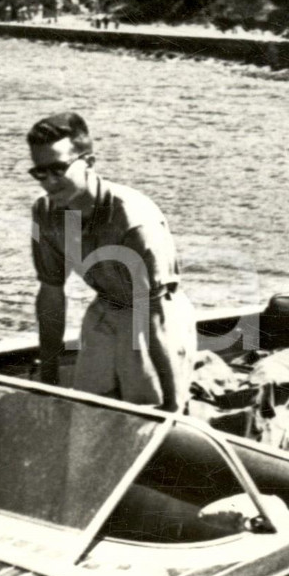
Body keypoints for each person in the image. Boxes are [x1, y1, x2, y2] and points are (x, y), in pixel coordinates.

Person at [28, 111, 196, 412]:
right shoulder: (46, 213)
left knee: (147, 418)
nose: (49, 182)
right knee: (86, 415)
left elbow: (154, 316)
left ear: (89, 163)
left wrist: (172, 405)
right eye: (40, 172)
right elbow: (51, 295)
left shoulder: (133, 222)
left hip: (155, 312)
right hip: (107, 306)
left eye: (58, 169)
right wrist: (48, 381)